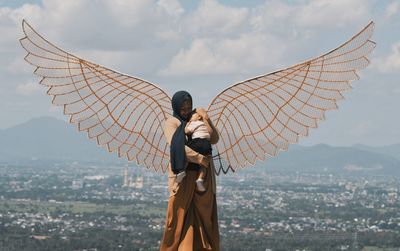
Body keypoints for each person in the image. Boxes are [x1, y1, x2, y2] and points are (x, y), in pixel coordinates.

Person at [160, 91, 220, 251]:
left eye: (189, 107)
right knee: (178, 217)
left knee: (204, 217)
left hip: (202, 177)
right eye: (183, 108)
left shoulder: (197, 119)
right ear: (176, 107)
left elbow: (213, 138)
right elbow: (177, 146)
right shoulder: (172, 122)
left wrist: (206, 118)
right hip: (183, 177)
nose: (186, 111)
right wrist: (200, 158)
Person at [185, 110, 213, 192]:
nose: (190, 117)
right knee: (205, 164)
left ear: (199, 117)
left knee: (186, 153)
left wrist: (186, 124)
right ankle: (200, 179)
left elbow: (186, 131)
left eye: (191, 116)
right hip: (207, 144)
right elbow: (211, 134)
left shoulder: (195, 123)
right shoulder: (205, 124)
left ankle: (181, 171)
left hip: (197, 142)